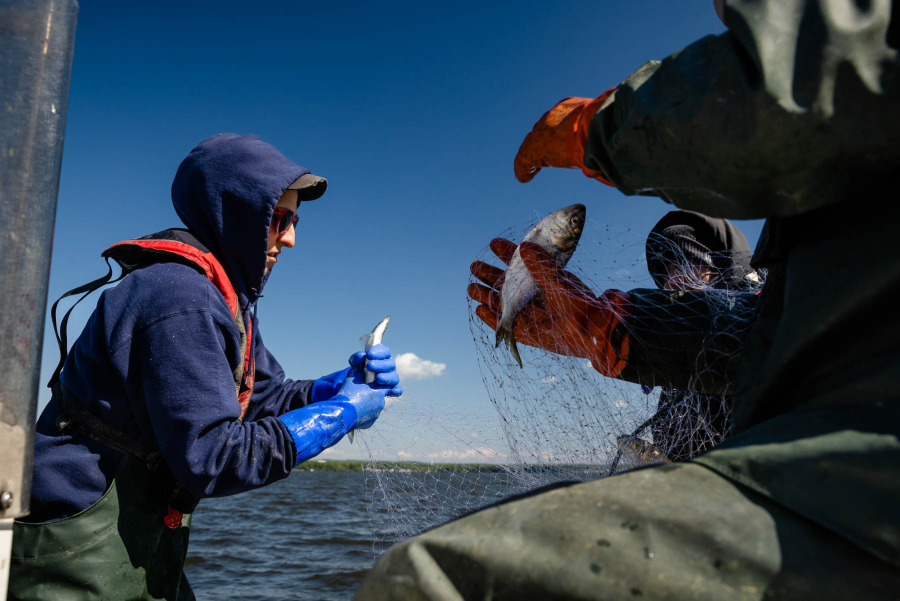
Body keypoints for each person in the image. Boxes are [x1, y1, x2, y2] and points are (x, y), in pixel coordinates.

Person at [355, 0, 900, 598]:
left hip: (859, 474)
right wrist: (614, 331)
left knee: (429, 580)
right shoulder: (848, 242)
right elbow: (797, 334)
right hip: (836, 457)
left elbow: (802, 80)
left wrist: (601, 128)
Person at [10, 133, 403, 601]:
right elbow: (214, 458)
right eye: (279, 219)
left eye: (295, 220)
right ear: (236, 212)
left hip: (140, 537)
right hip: (75, 542)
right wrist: (342, 414)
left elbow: (264, 397)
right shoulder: (179, 297)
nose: (292, 238)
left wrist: (330, 387)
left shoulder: (222, 298)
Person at [643, 210, 758, 462]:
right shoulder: (676, 330)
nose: (674, 279)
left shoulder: (761, 308)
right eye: (666, 272)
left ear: (717, 263)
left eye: (686, 262)